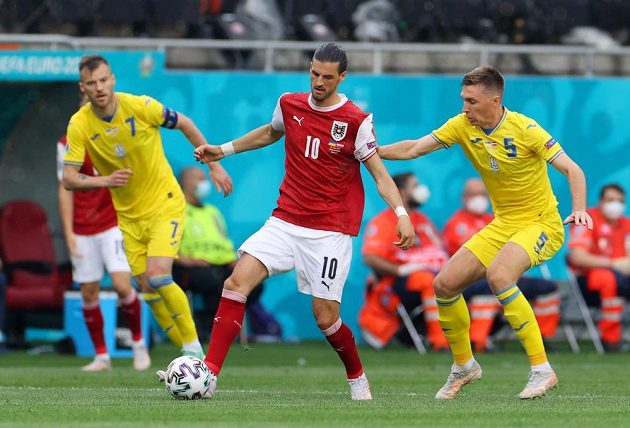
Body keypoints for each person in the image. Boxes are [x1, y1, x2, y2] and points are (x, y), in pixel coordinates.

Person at [160, 42, 415, 400]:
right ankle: (210, 375)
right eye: (314, 73)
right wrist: (223, 149)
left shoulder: (356, 120)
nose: (319, 82)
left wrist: (401, 214)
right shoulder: (289, 103)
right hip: (285, 220)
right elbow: (270, 132)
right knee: (235, 282)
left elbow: (380, 174)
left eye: (328, 77)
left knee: (326, 319)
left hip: (329, 231)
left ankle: (357, 376)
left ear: (342, 77)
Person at [379, 65, 592, 400]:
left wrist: (579, 209)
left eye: (472, 101)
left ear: (495, 100)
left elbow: (572, 169)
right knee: (444, 284)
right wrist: (371, 152)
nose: (465, 108)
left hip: (540, 223)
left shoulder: (526, 129)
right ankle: (464, 366)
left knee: (500, 275)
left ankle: (542, 370)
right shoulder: (463, 125)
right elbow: (414, 148)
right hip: (503, 223)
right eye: (463, 99)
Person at [61, 54, 233, 359]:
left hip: (164, 203)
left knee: (158, 275)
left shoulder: (140, 106)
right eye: (91, 83)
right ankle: (183, 352)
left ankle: (194, 353)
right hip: (128, 216)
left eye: (103, 80)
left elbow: (185, 123)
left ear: (112, 79)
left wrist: (214, 165)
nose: (99, 87)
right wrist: (105, 181)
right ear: (83, 88)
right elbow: (69, 178)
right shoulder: (80, 124)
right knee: (146, 287)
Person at [57, 93, 150, 371]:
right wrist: (69, 232)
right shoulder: (66, 144)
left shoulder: (115, 137)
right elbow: (65, 189)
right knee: (88, 292)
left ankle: (138, 343)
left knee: (123, 285)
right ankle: (101, 356)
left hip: (113, 224)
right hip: (83, 228)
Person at [443, 178, 561, 352]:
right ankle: (478, 341)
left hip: (505, 272)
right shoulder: (456, 223)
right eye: (474, 194)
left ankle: (540, 338)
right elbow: (463, 258)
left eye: (483, 194)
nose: (479, 198)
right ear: (464, 197)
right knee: (488, 288)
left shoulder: (496, 220)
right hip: (473, 278)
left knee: (547, 289)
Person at [172, 166, 282, 341]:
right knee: (214, 282)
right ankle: (211, 326)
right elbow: (167, 246)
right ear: (185, 183)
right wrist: (189, 261)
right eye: (199, 178)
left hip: (222, 264)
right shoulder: (176, 210)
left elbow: (223, 242)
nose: (204, 183)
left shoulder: (213, 212)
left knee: (253, 282)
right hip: (192, 267)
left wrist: (233, 260)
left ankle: (209, 321)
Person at [359, 172, 449, 351]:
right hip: (397, 282)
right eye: (414, 186)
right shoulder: (382, 222)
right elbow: (370, 257)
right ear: (400, 192)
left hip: (428, 273)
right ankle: (439, 342)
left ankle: (468, 338)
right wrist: (399, 270)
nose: (420, 189)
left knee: (453, 279)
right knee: (431, 281)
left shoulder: (422, 220)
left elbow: (439, 251)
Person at [567, 183, 630, 352]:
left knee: (615, 280)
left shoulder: (626, 224)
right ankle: (610, 340)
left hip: (623, 277)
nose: (615, 205)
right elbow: (577, 257)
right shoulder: (587, 219)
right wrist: (614, 263)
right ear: (601, 201)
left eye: (620, 201)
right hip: (590, 280)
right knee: (607, 278)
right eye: (610, 200)